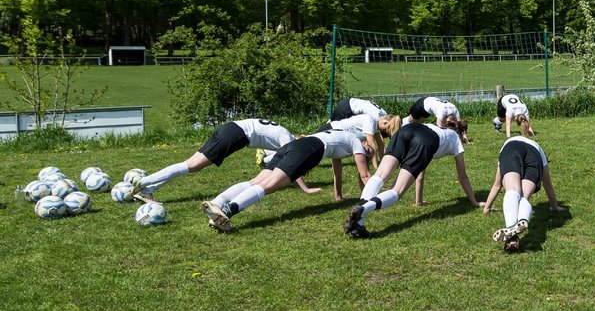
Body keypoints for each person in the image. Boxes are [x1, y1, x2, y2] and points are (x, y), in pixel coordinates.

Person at [200, 129, 372, 232]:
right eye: (369, 150)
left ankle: (217, 202)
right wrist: (373, 200)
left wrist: (339, 195)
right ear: (365, 143)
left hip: (296, 144)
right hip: (310, 149)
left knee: (258, 181)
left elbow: (338, 171)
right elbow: (364, 174)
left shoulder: (343, 137)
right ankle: (227, 211)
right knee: (270, 185)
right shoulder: (356, 141)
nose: (367, 153)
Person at [342, 120, 480, 239]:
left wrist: (418, 201)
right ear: (460, 133)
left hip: (408, 129)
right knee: (397, 190)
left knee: (380, 175)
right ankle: (363, 208)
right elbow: (462, 176)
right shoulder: (456, 140)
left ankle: (359, 224)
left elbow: (421, 172)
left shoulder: (436, 127)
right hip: (426, 140)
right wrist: (474, 202)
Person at [129, 118, 321, 201]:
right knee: (192, 165)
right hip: (235, 135)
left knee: (191, 165)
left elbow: (274, 160)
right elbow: (290, 167)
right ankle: (143, 183)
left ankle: (149, 190)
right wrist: (305, 188)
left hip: (231, 130)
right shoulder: (287, 139)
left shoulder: (283, 134)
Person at [482, 113, 564, 251]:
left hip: (511, 149)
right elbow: (548, 185)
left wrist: (487, 208)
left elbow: (497, 185)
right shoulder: (539, 149)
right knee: (524, 196)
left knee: (513, 190)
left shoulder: (508, 143)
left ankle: (511, 232)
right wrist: (554, 206)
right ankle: (523, 221)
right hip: (534, 155)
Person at [323, 111, 401, 160]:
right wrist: (377, 169)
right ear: (385, 123)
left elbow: (380, 146)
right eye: (386, 130)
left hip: (338, 139)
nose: (384, 133)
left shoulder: (375, 126)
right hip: (331, 131)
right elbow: (371, 145)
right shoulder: (370, 122)